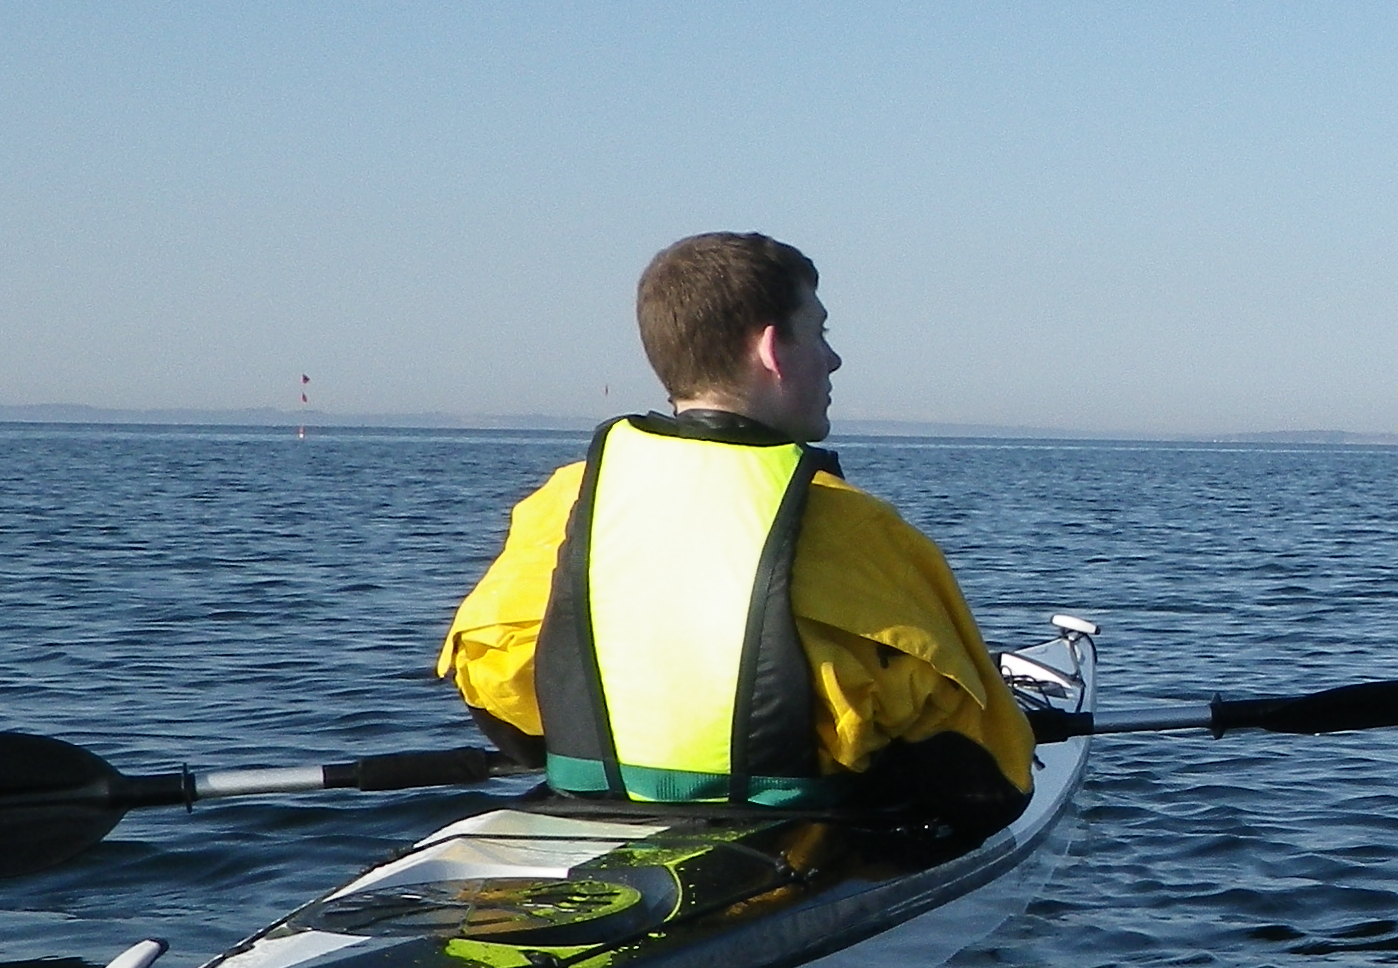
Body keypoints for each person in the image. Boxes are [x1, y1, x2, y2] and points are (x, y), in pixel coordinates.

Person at [440, 232, 1035, 832]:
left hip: (588, 815)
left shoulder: (561, 502)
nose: (832, 359)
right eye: (820, 333)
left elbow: (498, 701)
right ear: (774, 349)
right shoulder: (858, 529)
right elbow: (987, 783)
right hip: (793, 845)